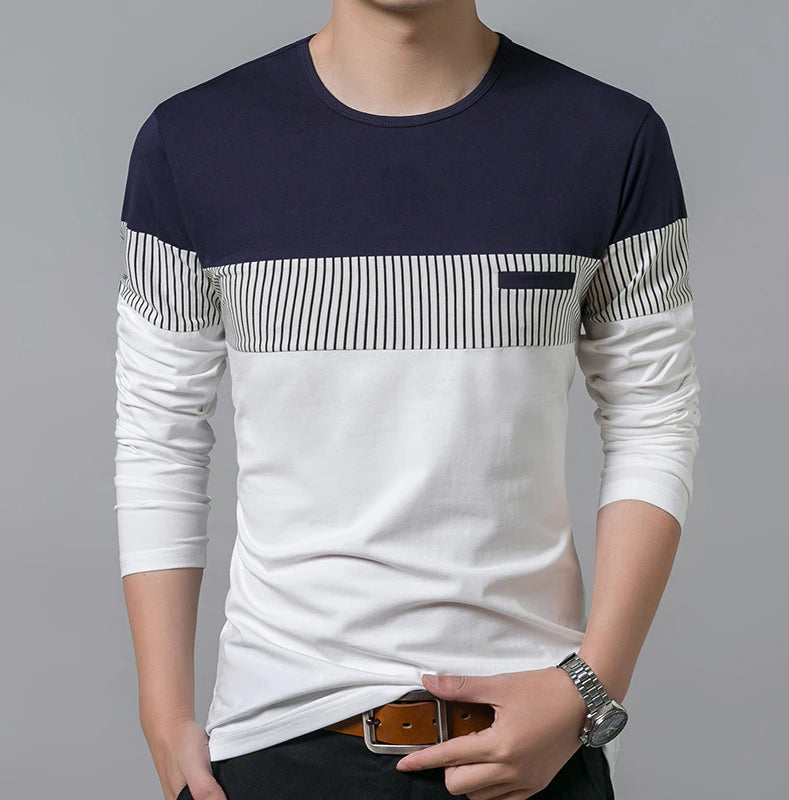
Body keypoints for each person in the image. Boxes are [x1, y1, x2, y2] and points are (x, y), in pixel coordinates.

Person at [113, 2, 701, 799]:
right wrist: (163, 710)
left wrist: (591, 688)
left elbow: (653, 418)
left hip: (530, 747)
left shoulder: (610, 139)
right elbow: (160, 435)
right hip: (276, 742)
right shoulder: (190, 144)